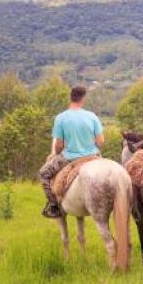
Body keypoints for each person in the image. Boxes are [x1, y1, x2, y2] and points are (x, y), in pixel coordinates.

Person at [38, 86, 104, 218]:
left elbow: (59, 145)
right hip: (93, 157)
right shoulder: (92, 116)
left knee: (43, 174)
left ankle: (54, 206)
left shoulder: (61, 118)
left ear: (71, 97)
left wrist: (57, 152)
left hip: (70, 158)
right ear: (83, 99)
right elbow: (100, 142)